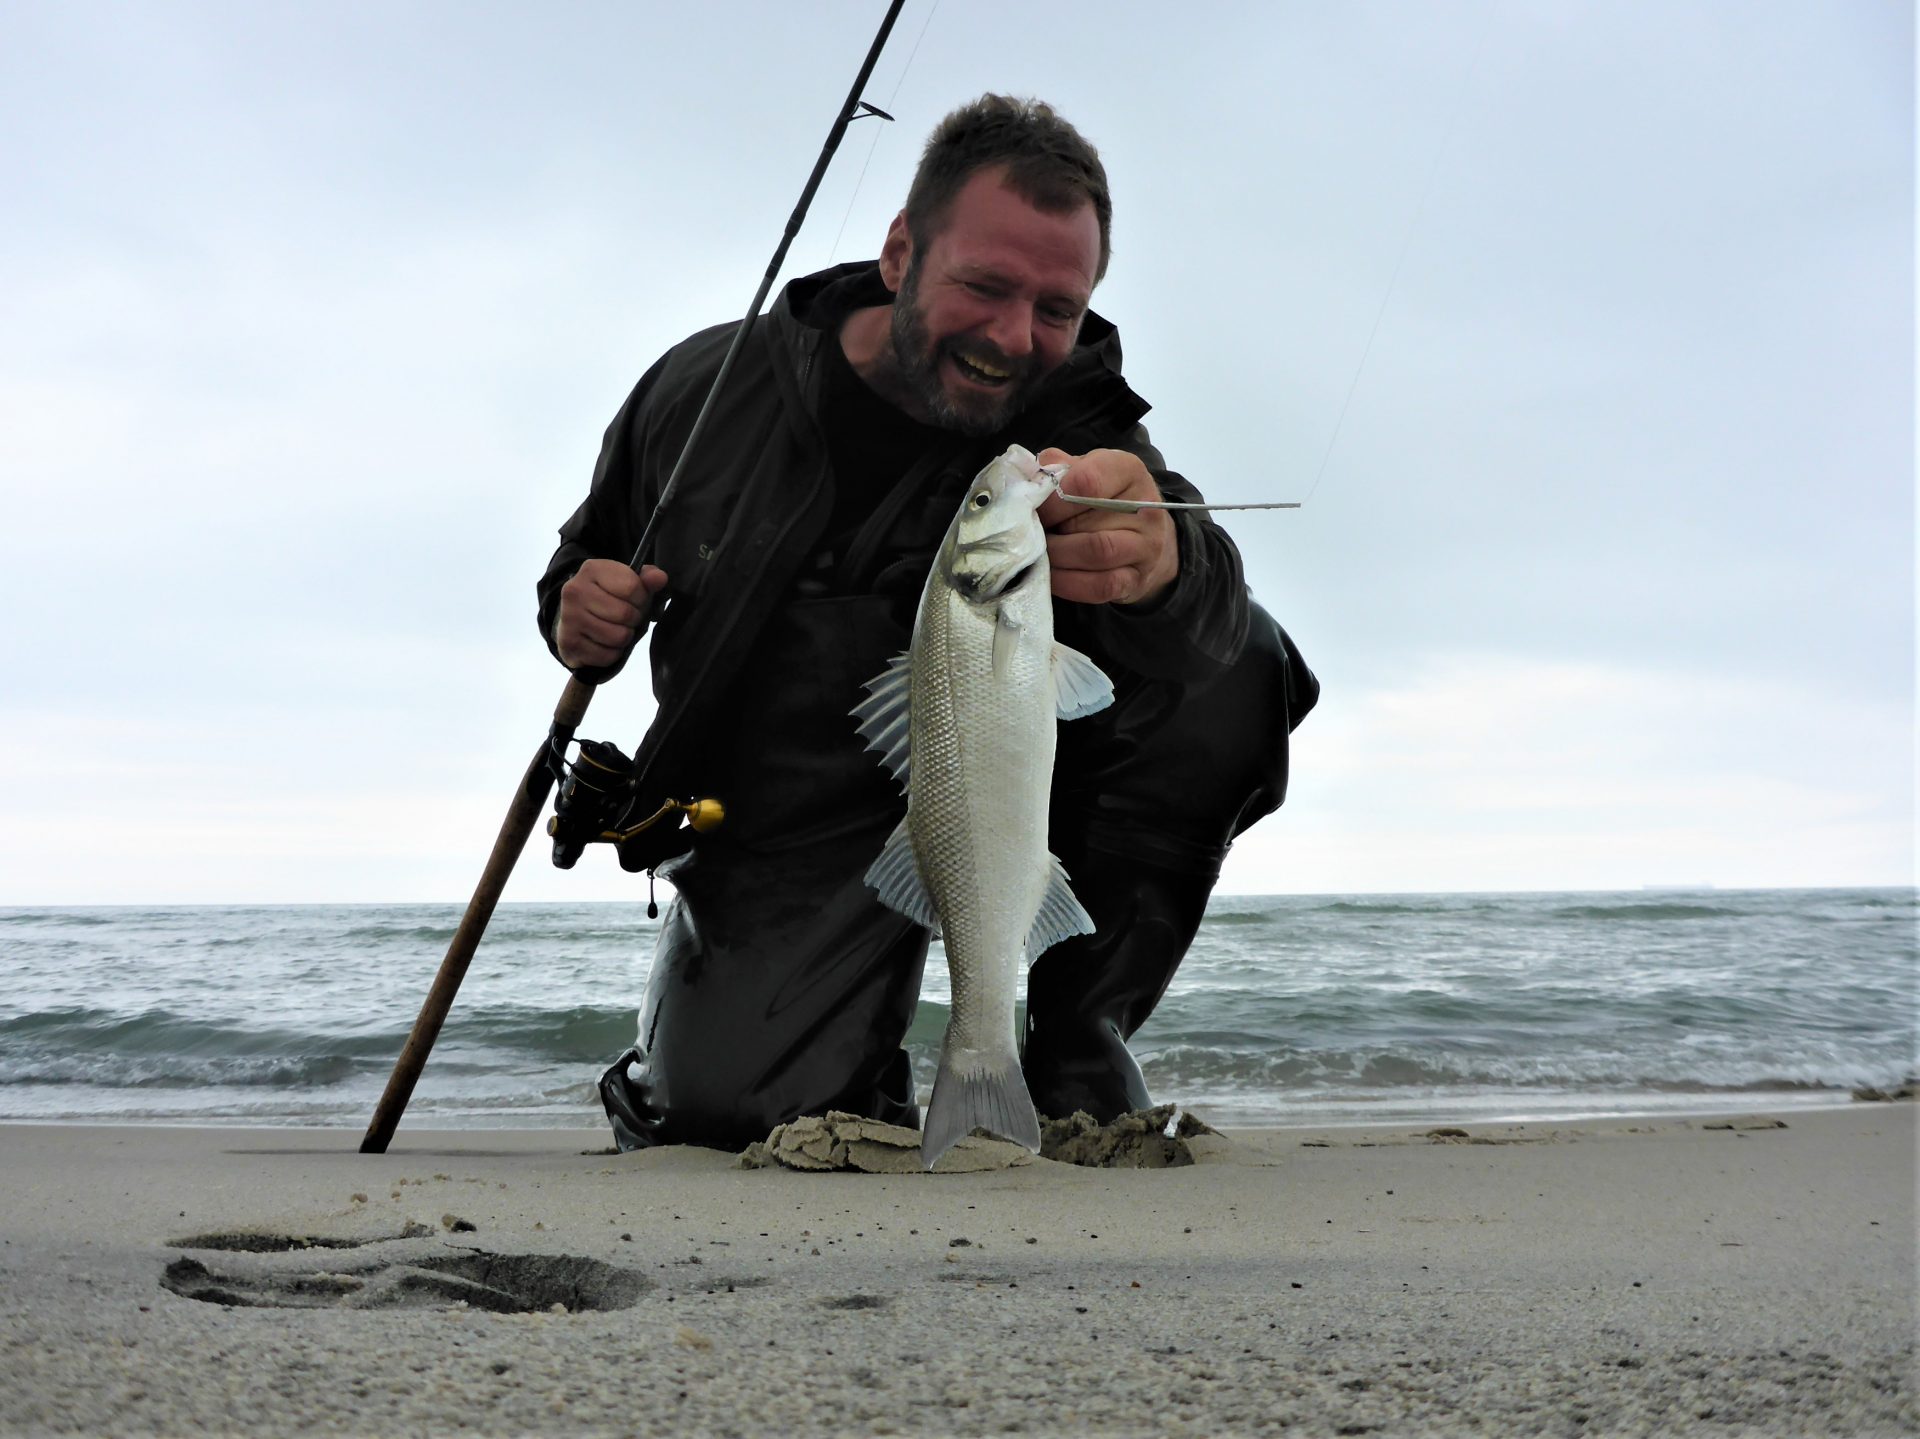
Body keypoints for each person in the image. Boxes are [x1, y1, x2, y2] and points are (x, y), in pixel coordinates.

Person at [538, 95, 1318, 1152]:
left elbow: (1214, 602)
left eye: (1057, 306)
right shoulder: (705, 391)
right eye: (986, 286)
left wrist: (1168, 562)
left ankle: (1072, 1033)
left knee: (1244, 663)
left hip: (992, 773)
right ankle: (794, 1051)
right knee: (729, 1116)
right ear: (902, 250)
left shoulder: (1077, 417)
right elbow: (581, 564)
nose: (1014, 337)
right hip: (779, 809)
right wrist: (578, 610)